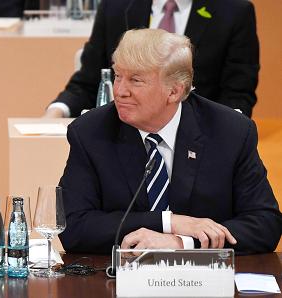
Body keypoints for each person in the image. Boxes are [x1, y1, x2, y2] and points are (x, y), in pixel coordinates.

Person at [58, 28, 281, 255]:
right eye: (118, 76)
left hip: (207, 281)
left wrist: (183, 243)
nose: (120, 91)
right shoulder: (90, 132)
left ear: (174, 91)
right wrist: (168, 222)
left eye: (135, 80)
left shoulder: (231, 131)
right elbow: (73, 227)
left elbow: (264, 224)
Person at [45, 0, 259, 118]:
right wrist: (56, 112)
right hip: (122, 138)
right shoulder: (115, 7)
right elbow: (87, 82)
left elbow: (237, 93)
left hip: (199, 140)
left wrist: (223, 131)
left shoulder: (235, 12)